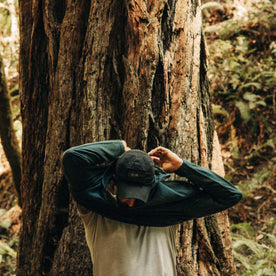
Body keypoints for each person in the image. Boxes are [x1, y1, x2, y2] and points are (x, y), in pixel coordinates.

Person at [62, 140, 242, 276]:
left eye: (138, 194)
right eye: (127, 193)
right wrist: (121, 149)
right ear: (115, 179)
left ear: (151, 185)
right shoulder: (96, 210)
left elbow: (230, 195)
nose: (131, 202)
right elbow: (72, 158)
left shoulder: (170, 207)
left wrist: (182, 166)